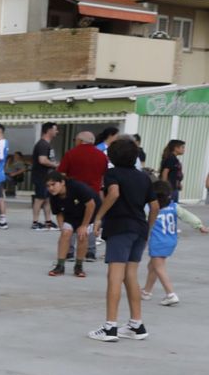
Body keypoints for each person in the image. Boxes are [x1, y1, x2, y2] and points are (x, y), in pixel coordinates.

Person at [88, 139, 158, 342]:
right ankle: (136, 324)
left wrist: (99, 217)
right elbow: (154, 207)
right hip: (140, 228)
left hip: (120, 227)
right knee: (131, 276)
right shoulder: (144, 177)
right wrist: (148, 229)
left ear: (111, 156)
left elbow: (114, 193)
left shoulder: (112, 173)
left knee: (114, 276)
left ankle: (110, 327)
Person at [142, 177, 207, 305]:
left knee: (159, 268)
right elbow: (188, 216)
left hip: (158, 242)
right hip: (170, 241)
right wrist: (199, 225)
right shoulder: (174, 206)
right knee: (152, 266)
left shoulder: (152, 210)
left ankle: (170, 294)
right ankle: (147, 291)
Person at [59, 131, 107, 262]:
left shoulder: (71, 154)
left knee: (71, 221)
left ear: (80, 141)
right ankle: (90, 252)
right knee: (90, 223)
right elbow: (104, 176)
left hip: (73, 193)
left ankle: (69, 252)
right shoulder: (102, 156)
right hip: (93, 193)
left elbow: (61, 174)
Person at [45, 172, 96, 278]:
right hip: (70, 215)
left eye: (53, 184)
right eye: (48, 186)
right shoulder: (53, 195)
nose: (51, 188)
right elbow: (58, 213)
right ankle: (60, 266)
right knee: (65, 234)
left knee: (82, 235)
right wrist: (61, 227)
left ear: (62, 182)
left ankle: (78, 266)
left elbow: (91, 205)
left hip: (87, 214)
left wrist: (84, 226)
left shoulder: (77, 187)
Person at [31, 122, 58, 230]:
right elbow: (42, 160)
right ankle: (35, 222)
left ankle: (48, 222)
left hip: (47, 177)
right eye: (55, 129)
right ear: (49, 130)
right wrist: (55, 165)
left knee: (47, 199)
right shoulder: (42, 144)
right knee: (39, 199)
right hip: (41, 176)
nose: (57, 132)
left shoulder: (46, 144)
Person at [159, 139, 185, 203]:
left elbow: (174, 173)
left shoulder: (174, 159)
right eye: (182, 147)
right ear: (176, 148)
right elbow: (165, 172)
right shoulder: (171, 158)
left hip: (174, 187)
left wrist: (178, 183)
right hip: (170, 188)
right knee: (170, 206)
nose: (184, 149)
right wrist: (165, 187)